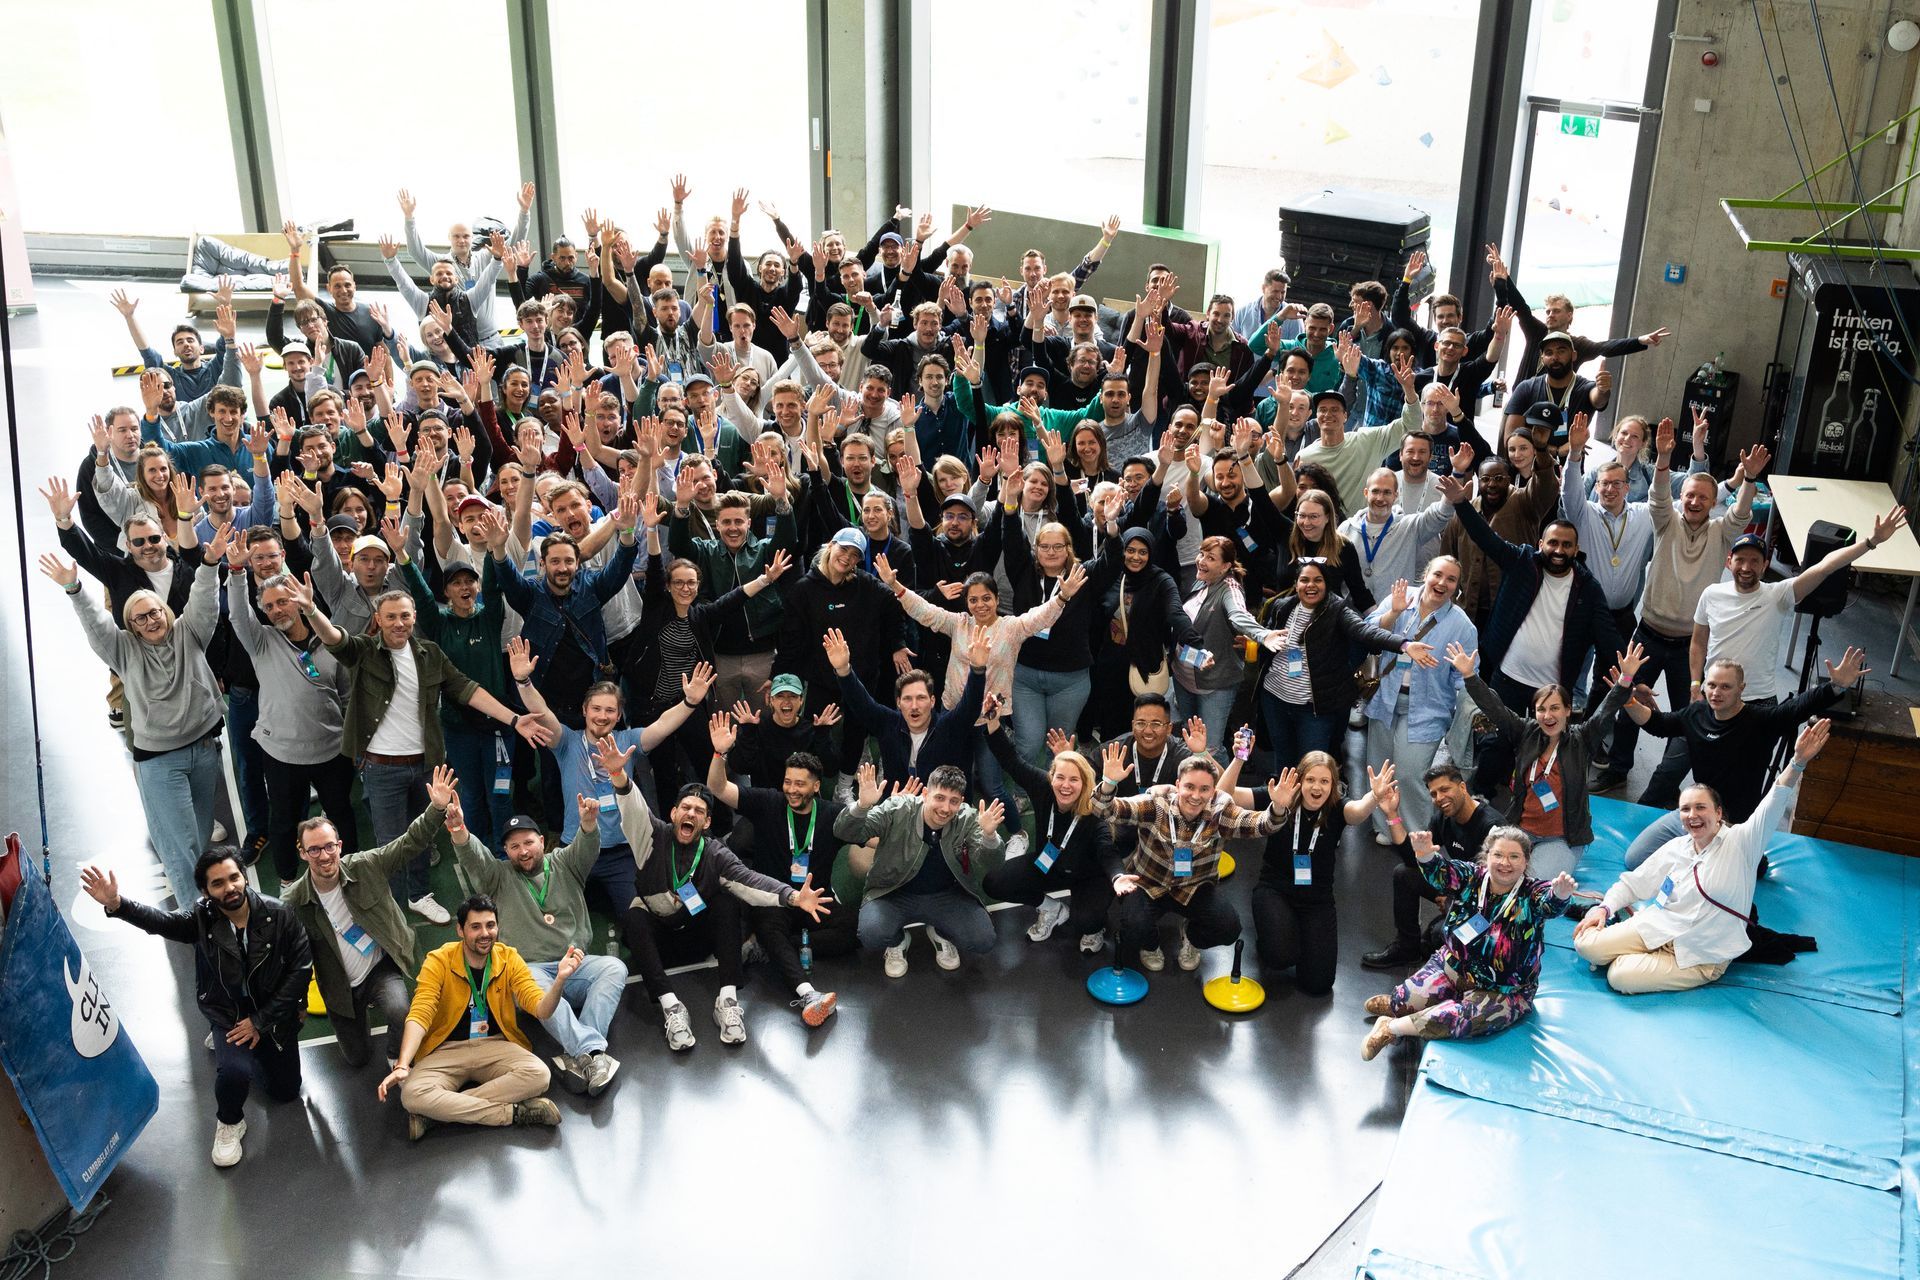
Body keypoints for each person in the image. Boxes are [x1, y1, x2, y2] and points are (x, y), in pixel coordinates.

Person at [297, 577, 550, 924]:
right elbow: (334, 638)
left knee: (419, 839)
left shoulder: (430, 654)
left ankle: (418, 896)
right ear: (378, 619)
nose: (398, 623)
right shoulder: (365, 651)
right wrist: (311, 610)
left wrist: (514, 719)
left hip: (424, 766)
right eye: (390, 617)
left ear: (414, 617)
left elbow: (466, 688)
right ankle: (386, 906)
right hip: (381, 767)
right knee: (389, 845)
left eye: (404, 616)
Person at [81, 850, 312, 1167]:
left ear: (244, 876)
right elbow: (162, 922)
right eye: (218, 883)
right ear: (206, 891)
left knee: (286, 1091)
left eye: (233, 877)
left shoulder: (280, 914)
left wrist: (259, 1022)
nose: (229, 887)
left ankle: (243, 1047)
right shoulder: (202, 918)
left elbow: (300, 972)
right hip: (227, 1011)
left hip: (270, 1011)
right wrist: (117, 904)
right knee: (235, 1072)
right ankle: (230, 1121)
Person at [1574, 720, 1831, 994]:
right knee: (1585, 945)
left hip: (1702, 953)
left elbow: (1773, 802)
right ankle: (1629, 954)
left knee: (1620, 977)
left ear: (1719, 813)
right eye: (1685, 809)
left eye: (1701, 807)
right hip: (1658, 927)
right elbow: (1634, 883)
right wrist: (1604, 909)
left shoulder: (1742, 842)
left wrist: (1797, 762)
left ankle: (1630, 960)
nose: (1692, 815)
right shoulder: (1677, 847)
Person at [48, 523, 232, 904]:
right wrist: (75, 589)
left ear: (166, 611)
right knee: (181, 849)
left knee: (198, 838)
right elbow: (96, 625)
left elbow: (204, 599)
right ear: (130, 626)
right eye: (140, 618)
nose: (151, 621)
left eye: (155, 613)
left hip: (202, 750)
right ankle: (194, 920)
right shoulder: (123, 651)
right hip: (160, 762)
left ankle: (208, 908)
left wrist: (211, 563)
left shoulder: (189, 631)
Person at [606, 739, 830, 1050]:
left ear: (708, 821)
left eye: (699, 811)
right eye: (685, 807)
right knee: (632, 916)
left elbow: (751, 880)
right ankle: (672, 1007)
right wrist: (619, 777)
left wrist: (792, 897)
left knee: (727, 901)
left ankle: (727, 1001)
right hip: (658, 944)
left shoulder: (715, 854)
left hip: (699, 942)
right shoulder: (651, 836)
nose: (691, 813)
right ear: (673, 813)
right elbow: (632, 809)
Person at [1597, 418, 1760, 798]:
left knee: (1691, 712)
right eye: (1689, 495)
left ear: (1713, 501)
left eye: (1704, 496)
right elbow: (1656, 496)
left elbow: (1741, 514)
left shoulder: (1722, 533)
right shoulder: (1665, 522)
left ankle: (1667, 782)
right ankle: (1618, 769)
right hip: (1648, 633)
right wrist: (1665, 460)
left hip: (1691, 642)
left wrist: (1749, 481)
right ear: (1681, 496)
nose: (1695, 501)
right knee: (1629, 702)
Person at [447, 791, 626, 1097]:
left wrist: (588, 824)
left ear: (542, 841)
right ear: (506, 851)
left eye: (528, 842)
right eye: (514, 846)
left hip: (575, 963)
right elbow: (474, 859)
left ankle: (580, 1054)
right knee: (531, 981)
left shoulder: (566, 863)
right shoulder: (498, 877)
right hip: (530, 971)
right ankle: (594, 1055)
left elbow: (587, 847)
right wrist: (460, 831)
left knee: (614, 968)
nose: (523, 851)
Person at [1618, 650, 1863, 868]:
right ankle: (1697, 847)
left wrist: (1835, 687)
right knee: (1635, 859)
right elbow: (1657, 724)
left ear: (1741, 689)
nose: (1716, 692)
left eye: (1726, 687)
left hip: (1734, 826)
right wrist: (1626, 697)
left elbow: (1797, 707)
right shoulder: (1696, 713)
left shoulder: (1760, 722)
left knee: (1731, 873)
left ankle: (1741, 856)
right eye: (1712, 685)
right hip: (1698, 813)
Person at [280, 772, 457, 1070]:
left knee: (400, 1008)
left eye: (328, 846)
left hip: (378, 968)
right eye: (313, 849)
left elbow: (409, 843)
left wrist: (436, 809)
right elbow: (286, 959)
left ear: (339, 844)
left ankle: (393, 1054)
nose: (323, 856)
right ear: (302, 852)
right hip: (339, 988)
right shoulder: (294, 903)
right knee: (357, 1058)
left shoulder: (365, 865)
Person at [1360, 827, 1577, 1058]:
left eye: (1514, 857)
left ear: (1525, 862)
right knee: (1403, 1001)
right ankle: (1398, 1006)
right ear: (1487, 856)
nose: (1505, 863)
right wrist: (1424, 855)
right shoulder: (1472, 875)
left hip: (1503, 990)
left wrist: (1561, 894)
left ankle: (1391, 1027)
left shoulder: (1531, 893)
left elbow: (1549, 903)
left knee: (1461, 1019)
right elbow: (1443, 872)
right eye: (1498, 855)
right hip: (1453, 968)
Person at [375, 895, 581, 1139]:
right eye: (476, 927)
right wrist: (402, 1064)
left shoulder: (509, 958)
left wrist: (559, 981)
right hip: (445, 1050)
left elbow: (540, 1009)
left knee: (539, 1075)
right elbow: (420, 1012)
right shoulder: (438, 960)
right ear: (460, 930)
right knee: (411, 1093)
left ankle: (436, 1115)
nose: (485, 933)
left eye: (490, 925)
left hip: (494, 1045)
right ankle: (513, 1113)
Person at [1450, 640, 1643, 880]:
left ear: (1567, 711)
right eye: (1542, 709)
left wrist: (1625, 680)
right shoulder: (1524, 731)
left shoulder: (1582, 739)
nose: (1548, 716)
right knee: (1491, 876)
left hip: (1561, 839)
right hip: (1521, 832)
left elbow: (1605, 711)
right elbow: (1495, 709)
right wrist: (1470, 676)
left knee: (1530, 885)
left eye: (1555, 708)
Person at [1092, 747, 1289, 973]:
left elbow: (1263, 825)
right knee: (1132, 926)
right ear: (1177, 785)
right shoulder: (1156, 804)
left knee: (1229, 928)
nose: (1196, 796)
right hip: (1149, 883)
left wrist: (1278, 807)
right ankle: (1151, 945)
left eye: (1204, 789)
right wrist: (1108, 783)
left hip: (1194, 888)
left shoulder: (1221, 811)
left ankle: (1191, 937)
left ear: (1213, 791)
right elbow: (1104, 810)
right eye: (1189, 787)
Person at [704, 727, 848, 1027]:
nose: (792, 789)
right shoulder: (768, 802)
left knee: (854, 927)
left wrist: (878, 808)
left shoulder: (832, 814)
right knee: (770, 926)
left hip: (814, 902)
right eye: (788, 781)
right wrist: (719, 754)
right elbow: (718, 788)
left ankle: (772, 947)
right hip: (777, 902)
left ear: (817, 786)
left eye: (800, 784)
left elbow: (871, 837)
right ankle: (808, 995)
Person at [1692, 508, 1908, 706]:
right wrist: (1695, 684)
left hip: (1758, 698)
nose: (1746, 567)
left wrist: (1871, 541)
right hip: (1713, 694)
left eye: (1754, 561)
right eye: (1740, 560)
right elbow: (1698, 641)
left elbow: (1825, 567)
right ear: (1729, 561)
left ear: (1765, 565)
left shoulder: (1778, 594)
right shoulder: (1711, 594)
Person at [833, 761, 1008, 977]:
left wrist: (990, 837)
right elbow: (845, 833)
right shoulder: (897, 808)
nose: (945, 808)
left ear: (961, 802)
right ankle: (897, 941)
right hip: (893, 893)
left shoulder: (969, 818)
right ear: (925, 794)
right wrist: (861, 805)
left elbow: (993, 864)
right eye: (939, 798)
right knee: (872, 935)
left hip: (946, 896)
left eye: (953, 801)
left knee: (983, 940)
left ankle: (941, 933)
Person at [1258, 558, 1438, 766]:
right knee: (1283, 759)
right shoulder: (1280, 607)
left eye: (1318, 580)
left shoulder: (1339, 610)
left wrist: (1404, 645)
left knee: (1312, 765)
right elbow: (1267, 639)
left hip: (1315, 706)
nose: (1311, 585)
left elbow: (1365, 631)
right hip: (1275, 699)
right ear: (1296, 584)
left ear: (1327, 584)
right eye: (1304, 580)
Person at [1244, 757, 1396, 996]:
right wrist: (1230, 759)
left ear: (1333, 785)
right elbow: (1227, 792)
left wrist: (1374, 797)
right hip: (1275, 889)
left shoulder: (1337, 807)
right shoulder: (1281, 795)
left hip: (1317, 899)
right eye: (1311, 780)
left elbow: (1357, 812)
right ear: (1299, 780)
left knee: (1318, 985)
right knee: (1280, 956)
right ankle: (1271, 937)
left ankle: (1294, 932)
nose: (1317, 787)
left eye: (1325, 781)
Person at [981, 704, 1115, 951]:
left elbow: (1108, 851)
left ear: (1085, 784)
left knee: (1084, 921)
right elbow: (1011, 760)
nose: (1065, 786)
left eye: (1074, 779)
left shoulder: (1096, 807)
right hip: (1049, 864)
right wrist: (993, 723)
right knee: (995, 882)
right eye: (1060, 777)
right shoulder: (1043, 787)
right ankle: (1051, 909)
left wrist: (1117, 877)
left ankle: (1094, 928)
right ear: (1050, 776)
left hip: (1088, 875)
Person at [1362, 560, 1477, 840]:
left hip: (1428, 709)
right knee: (1380, 770)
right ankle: (1385, 826)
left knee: (1412, 773)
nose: (1442, 583)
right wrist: (1393, 612)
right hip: (1384, 700)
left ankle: (1415, 834)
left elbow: (1465, 678)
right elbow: (1368, 633)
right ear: (1425, 575)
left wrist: (1465, 683)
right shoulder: (1400, 598)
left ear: (1456, 588)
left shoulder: (1462, 626)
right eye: (1437, 574)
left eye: (1451, 579)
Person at [1363, 764, 1500, 970]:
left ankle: (1443, 928)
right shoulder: (1443, 818)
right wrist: (1392, 814)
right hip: (1460, 888)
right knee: (1404, 874)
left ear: (1462, 787)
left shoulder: (1492, 827)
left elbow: (1497, 887)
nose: (1439, 798)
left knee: (1438, 936)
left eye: (1445, 790)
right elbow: (1414, 860)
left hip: (1488, 905)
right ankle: (1407, 948)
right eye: (1434, 794)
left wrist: (1455, 901)